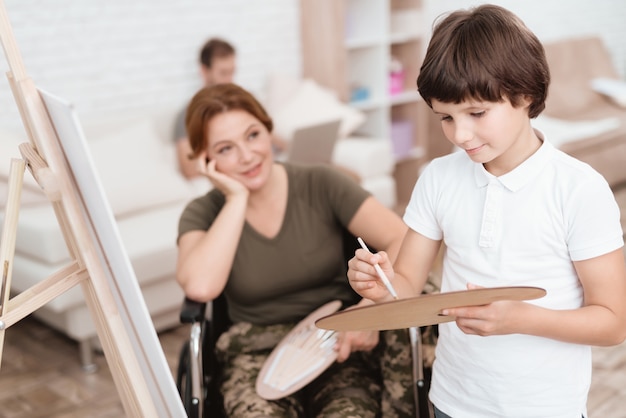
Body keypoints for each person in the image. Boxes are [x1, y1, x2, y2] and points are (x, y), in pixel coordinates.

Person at [347, 4, 626, 418]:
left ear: (526, 94)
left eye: (476, 113)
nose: (460, 134)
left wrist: (520, 318)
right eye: (445, 117)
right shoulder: (438, 177)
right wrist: (379, 286)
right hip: (453, 400)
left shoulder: (579, 189)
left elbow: (612, 322)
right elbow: (406, 284)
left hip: (545, 407)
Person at [175, 82, 411, 417]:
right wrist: (236, 199)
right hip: (254, 355)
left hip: (335, 343)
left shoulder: (320, 183)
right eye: (226, 149)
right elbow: (201, 287)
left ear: (269, 131)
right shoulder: (203, 212)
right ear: (206, 160)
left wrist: (369, 310)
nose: (246, 155)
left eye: (253, 135)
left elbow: (402, 238)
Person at [173, 37, 237, 179]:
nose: (229, 80)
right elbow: (189, 170)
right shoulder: (188, 114)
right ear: (204, 71)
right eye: (223, 73)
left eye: (232, 72)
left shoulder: (240, 103)